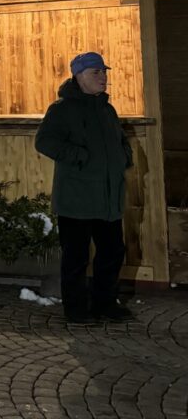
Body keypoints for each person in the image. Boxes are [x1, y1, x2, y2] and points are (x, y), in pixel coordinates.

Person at [34, 52, 133, 324]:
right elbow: (44, 142)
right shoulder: (62, 110)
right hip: (76, 199)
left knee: (112, 252)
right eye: (95, 73)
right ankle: (76, 309)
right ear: (78, 77)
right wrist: (79, 156)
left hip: (107, 199)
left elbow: (121, 141)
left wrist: (125, 157)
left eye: (104, 72)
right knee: (76, 258)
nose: (103, 77)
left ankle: (104, 302)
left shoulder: (106, 109)